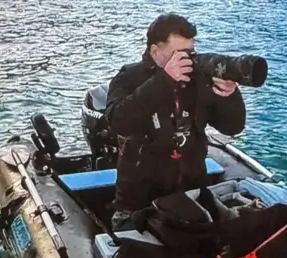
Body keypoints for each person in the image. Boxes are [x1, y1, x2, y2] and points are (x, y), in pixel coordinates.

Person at [105, 13, 246, 231]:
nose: (187, 60)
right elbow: (117, 121)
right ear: (155, 52)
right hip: (140, 204)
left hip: (192, 195)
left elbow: (232, 126)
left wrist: (229, 96)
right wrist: (164, 81)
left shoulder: (198, 80)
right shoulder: (129, 78)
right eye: (179, 54)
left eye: (190, 53)